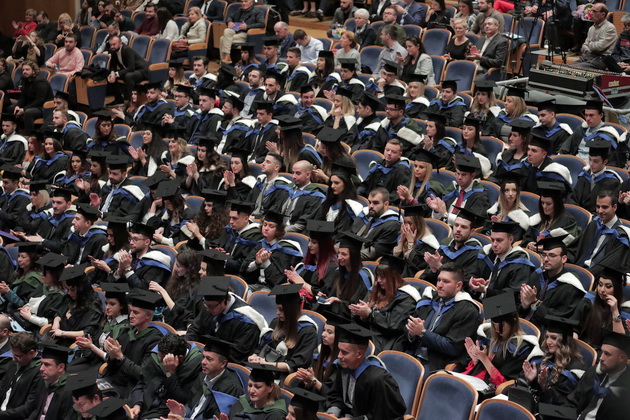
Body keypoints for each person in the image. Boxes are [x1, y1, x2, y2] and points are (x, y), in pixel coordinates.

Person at [406, 262, 481, 372]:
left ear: (458, 285)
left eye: (446, 282)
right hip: (412, 354)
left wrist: (422, 332)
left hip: (436, 363)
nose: (440, 285)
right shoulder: (430, 298)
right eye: (439, 280)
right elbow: (408, 326)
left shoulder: (468, 311)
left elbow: (452, 348)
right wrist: (411, 333)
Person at [325, 323, 407, 419]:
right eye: (339, 350)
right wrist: (333, 412)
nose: (339, 356)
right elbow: (336, 395)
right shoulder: (344, 367)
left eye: (344, 352)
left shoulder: (379, 379)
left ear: (359, 354)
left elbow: (386, 415)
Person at [461, 293, 541, 386]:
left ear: (513, 323)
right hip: (475, 381)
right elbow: (477, 370)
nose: (497, 330)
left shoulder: (520, 348)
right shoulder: (487, 336)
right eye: (494, 325)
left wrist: (484, 360)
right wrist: (475, 360)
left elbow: (505, 384)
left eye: (502, 326)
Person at [186, 276, 267, 364]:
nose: (208, 309)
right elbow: (194, 329)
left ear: (224, 301)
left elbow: (237, 355)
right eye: (206, 305)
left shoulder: (246, 322)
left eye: (211, 306)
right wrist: (186, 347)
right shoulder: (210, 306)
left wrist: (204, 356)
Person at [101, 289, 164, 398]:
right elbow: (112, 367)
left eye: (136, 312)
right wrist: (111, 355)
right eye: (130, 311)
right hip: (113, 380)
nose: (130, 316)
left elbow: (143, 375)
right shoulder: (126, 331)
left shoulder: (155, 340)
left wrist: (120, 357)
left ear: (148, 315)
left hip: (131, 389)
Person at [351, 255, 420, 353]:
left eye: (383, 277)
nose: (378, 280)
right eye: (377, 276)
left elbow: (392, 325)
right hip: (368, 333)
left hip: (386, 341)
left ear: (394, 277)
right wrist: (360, 313)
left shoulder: (407, 298)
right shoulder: (376, 291)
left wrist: (370, 314)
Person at [165, 337, 244, 419]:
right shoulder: (203, 375)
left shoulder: (231, 388)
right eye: (203, 357)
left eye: (209, 359)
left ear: (223, 364)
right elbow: (190, 404)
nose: (203, 362)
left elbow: (216, 418)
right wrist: (182, 412)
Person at [128, 335, 202, 419]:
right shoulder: (158, 356)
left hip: (164, 412)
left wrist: (171, 373)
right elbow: (143, 382)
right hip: (142, 405)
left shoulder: (196, 366)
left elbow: (183, 400)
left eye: (164, 359)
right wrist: (137, 404)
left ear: (180, 358)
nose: (160, 361)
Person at [249, 284, 318, 374]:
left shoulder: (307, 331)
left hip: (286, 375)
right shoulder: (276, 322)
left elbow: (298, 363)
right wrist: (254, 356)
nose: (277, 312)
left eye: (281, 309)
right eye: (277, 308)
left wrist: (267, 364)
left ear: (291, 309)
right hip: (266, 368)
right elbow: (262, 346)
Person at [519, 235, 586, 328]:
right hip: (522, 323)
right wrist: (524, 306)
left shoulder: (570, 287)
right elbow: (520, 304)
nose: (545, 259)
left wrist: (535, 302)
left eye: (552, 255)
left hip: (546, 333)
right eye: (544, 255)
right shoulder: (537, 275)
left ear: (564, 259)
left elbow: (558, 320)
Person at [567, 329, 630, 419]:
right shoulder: (592, 372)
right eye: (602, 352)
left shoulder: (626, 389)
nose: (601, 358)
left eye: (607, 354)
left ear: (622, 358)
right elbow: (573, 401)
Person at [570, 191, 630, 280]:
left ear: (614, 207)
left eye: (605, 207)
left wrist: (582, 276)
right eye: (598, 207)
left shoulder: (621, 236)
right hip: (579, 271)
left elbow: (607, 267)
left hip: (598, 279)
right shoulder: (594, 224)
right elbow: (575, 249)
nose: (600, 211)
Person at [470, 221, 535, 301]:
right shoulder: (487, 253)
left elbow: (514, 294)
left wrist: (486, 290)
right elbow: (472, 272)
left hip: (502, 308)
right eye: (492, 240)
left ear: (510, 239)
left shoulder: (520, 263)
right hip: (479, 300)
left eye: (499, 240)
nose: (494, 244)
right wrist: (474, 282)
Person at [420, 206, 485, 284]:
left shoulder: (476, 254)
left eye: (463, 227)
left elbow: (467, 283)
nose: (458, 229)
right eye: (456, 225)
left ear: (472, 231)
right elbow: (425, 277)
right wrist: (433, 270)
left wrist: (440, 268)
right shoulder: (445, 245)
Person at [241, 210, 303, 289]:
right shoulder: (261, 244)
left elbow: (278, 281)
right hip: (256, 284)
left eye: (271, 226)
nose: (266, 228)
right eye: (265, 224)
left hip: (270, 289)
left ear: (278, 230)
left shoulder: (284, 249)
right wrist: (256, 263)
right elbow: (243, 269)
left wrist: (266, 261)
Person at [572, 264, 628, 349]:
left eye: (608, 286)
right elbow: (574, 328)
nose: (602, 290)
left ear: (617, 289)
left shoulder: (625, 312)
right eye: (600, 284)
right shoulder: (589, 301)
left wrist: (615, 312)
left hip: (606, 354)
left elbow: (619, 344)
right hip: (582, 348)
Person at [427, 154, 489, 226]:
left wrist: (446, 215)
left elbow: (472, 224)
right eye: (458, 174)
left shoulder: (479, 196)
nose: (459, 177)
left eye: (463, 175)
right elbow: (439, 218)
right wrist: (437, 210)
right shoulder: (453, 189)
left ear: (473, 175)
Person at [559, 100, 623, 166]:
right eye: (586, 115)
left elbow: (608, 161)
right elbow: (564, 150)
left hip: (593, 169)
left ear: (601, 115)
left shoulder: (608, 135)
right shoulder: (581, 130)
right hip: (575, 165)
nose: (588, 118)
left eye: (591, 115)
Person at [109, 222, 172, 288]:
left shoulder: (155, 262)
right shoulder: (130, 257)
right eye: (130, 239)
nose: (131, 242)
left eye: (135, 239)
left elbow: (143, 290)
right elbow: (113, 284)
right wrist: (120, 270)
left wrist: (128, 268)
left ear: (147, 242)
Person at [521, 181, 580, 251]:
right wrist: (530, 244)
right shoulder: (539, 219)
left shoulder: (567, 221)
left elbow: (567, 246)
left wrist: (543, 248)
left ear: (557, 204)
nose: (544, 206)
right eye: (542, 203)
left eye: (548, 204)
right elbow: (527, 237)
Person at [0, 332, 44, 419]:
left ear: (31, 353)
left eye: (17, 356)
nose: (13, 359)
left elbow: (28, 408)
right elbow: (2, 385)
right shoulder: (15, 362)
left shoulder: (40, 372)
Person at [573, 139, 622, 213]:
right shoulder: (584, 176)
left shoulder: (612, 182)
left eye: (595, 161)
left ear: (605, 161)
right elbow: (573, 198)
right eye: (590, 159)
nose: (591, 164)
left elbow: (608, 209)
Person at [7, 60, 53, 132]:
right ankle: (15, 131)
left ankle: (29, 134)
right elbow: (23, 97)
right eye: (23, 70)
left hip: (43, 107)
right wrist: (18, 106)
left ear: (34, 71)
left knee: (28, 112)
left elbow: (40, 100)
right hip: (31, 104)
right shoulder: (25, 80)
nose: (24, 72)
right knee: (11, 108)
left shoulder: (40, 82)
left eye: (27, 69)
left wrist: (24, 109)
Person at [31, 343, 73, 419]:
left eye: (47, 365)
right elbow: (36, 411)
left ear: (61, 367)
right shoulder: (43, 382)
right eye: (41, 364)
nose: (41, 368)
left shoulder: (69, 391)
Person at [485, 171, 530, 240]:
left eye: (514, 190)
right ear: (502, 193)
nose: (511, 194)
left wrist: (500, 226)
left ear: (517, 193)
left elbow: (514, 240)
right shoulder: (495, 210)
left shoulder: (521, 217)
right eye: (507, 190)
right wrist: (492, 225)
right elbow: (484, 232)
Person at [572, 4, 617, 70]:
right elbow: (584, 46)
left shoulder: (610, 28)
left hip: (601, 59)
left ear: (603, 14)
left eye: (594, 11)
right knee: (565, 67)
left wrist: (589, 45)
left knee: (574, 69)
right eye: (591, 11)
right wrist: (589, 47)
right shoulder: (591, 28)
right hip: (589, 56)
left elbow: (599, 47)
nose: (591, 13)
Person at [106, 35, 149, 105]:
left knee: (128, 76)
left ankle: (131, 102)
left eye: (114, 44)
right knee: (110, 75)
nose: (112, 47)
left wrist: (116, 74)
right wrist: (112, 73)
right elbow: (112, 66)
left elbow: (131, 68)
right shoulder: (113, 51)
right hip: (131, 71)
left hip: (142, 71)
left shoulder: (127, 50)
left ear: (120, 43)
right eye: (110, 45)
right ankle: (118, 99)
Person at [247, 153, 291, 218]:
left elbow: (274, 211)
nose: (263, 164)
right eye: (264, 160)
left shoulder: (281, 187)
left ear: (276, 167)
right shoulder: (260, 181)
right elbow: (248, 202)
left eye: (268, 162)